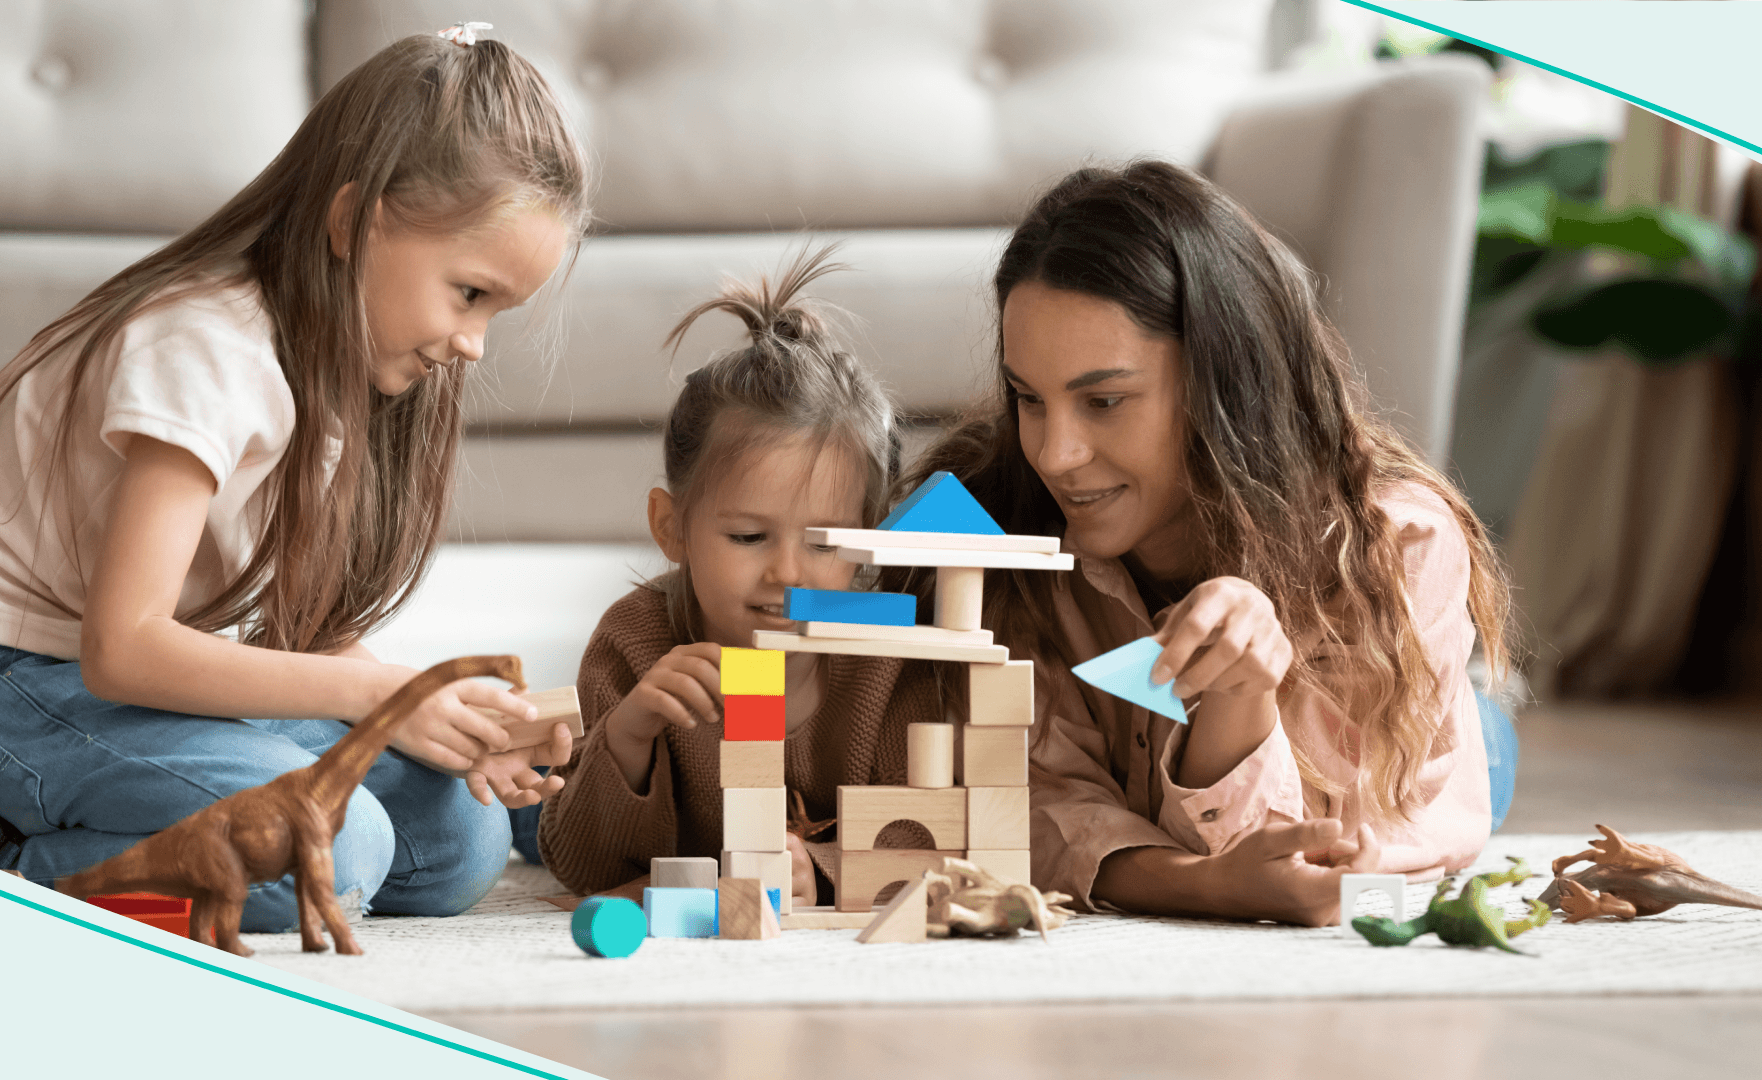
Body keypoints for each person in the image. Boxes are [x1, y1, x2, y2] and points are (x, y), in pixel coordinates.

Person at [0, 31, 587, 927]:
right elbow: (124, 647)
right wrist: (375, 696)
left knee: (457, 837)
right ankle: (8, 874)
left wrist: (427, 709)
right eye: (470, 294)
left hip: (113, 684)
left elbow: (285, 627)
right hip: (8, 671)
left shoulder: (329, 364)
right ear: (353, 223)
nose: (473, 344)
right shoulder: (205, 348)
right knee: (333, 849)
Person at [905, 161, 1513, 926]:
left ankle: (1483, 706)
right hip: (1170, 774)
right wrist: (1207, 886)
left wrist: (1243, 697)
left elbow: (1313, 858)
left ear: (1224, 384)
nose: (1054, 453)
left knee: (1479, 749)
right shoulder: (998, 536)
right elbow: (1022, 814)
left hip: (1415, 738)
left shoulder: (1390, 542)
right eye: (1029, 398)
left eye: (1104, 401)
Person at [537, 248, 944, 905]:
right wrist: (628, 733)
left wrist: (824, 866)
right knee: (531, 804)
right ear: (672, 529)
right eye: (749, 537)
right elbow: (583, 869)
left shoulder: (887, 656)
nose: (785, 572)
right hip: (600, 809)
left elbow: (929, 844)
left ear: (868, 541)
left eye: (822, 543)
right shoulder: (633, 643)